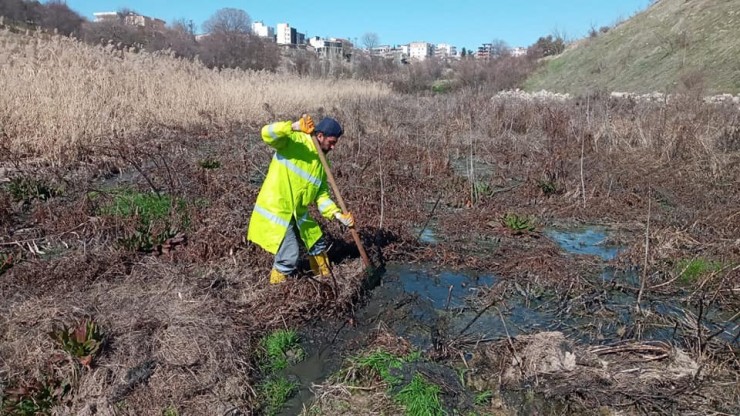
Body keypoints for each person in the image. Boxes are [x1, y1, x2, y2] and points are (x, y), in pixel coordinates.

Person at [247, 115, 354, 284]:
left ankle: (326, 280)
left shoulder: (321, 163)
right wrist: (293, 126)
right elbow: (266, 133)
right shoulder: (293, 142)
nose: (333, 147)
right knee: (289, 256)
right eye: (331, 142)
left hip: (298, 213)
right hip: (277, 210)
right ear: (320, 136)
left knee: (317, 243)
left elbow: (322, 195)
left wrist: (338, 215)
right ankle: (275, 290)